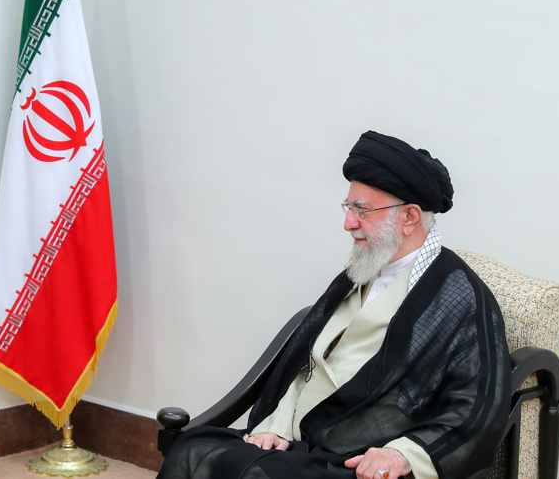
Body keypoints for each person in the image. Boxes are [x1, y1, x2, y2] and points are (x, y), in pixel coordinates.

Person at [157, 131, 510, 479]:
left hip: (359, 459)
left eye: (362, 210)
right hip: (301, 443)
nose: (348, 223)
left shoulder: (459, 297)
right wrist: (278, 425)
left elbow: (476, 406)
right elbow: (307, 364)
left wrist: (403, 455)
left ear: (410, 217)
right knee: (193, 450)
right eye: (348, 207)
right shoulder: (361, 270)